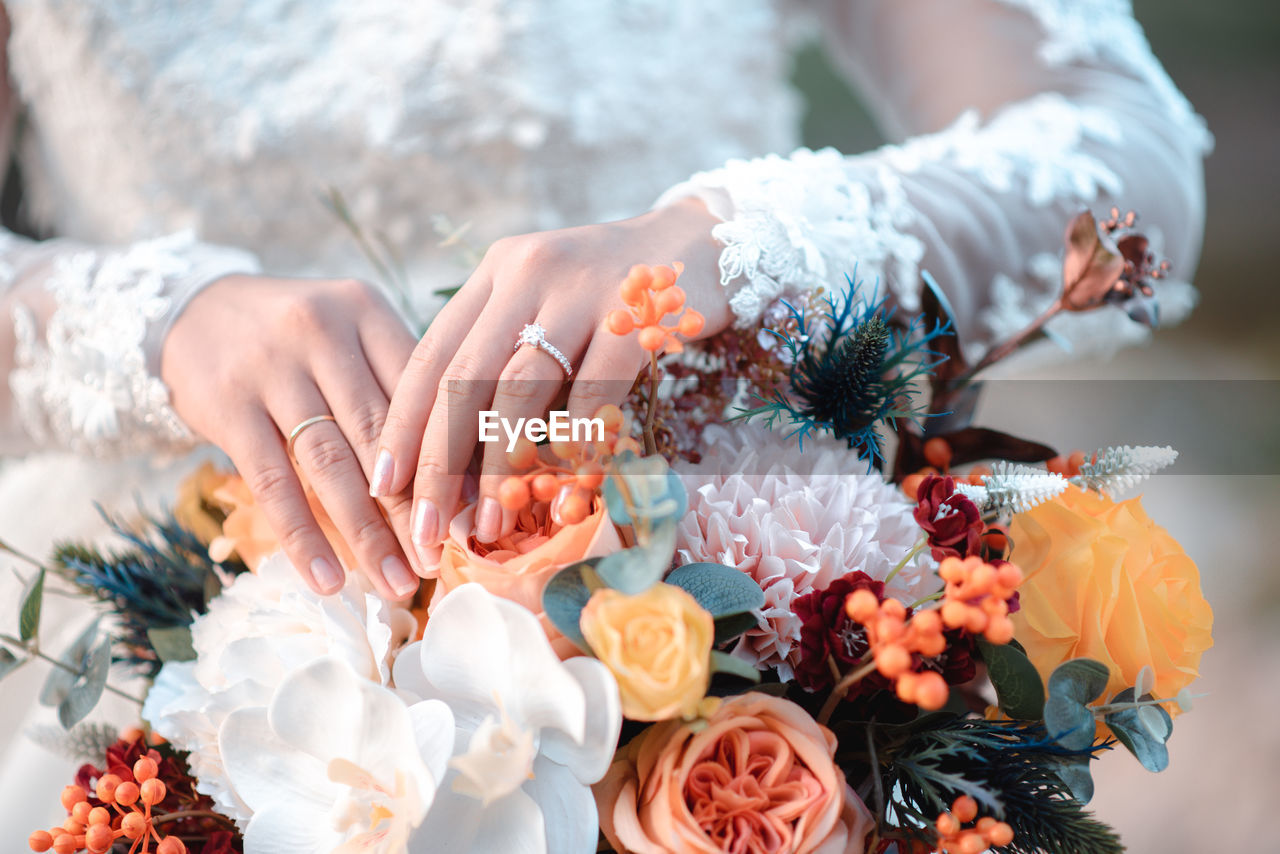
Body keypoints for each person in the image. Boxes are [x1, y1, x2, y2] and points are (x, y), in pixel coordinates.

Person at [0, 0, 1206, 832]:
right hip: (156, 666)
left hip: (722, 646)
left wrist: (769, 240)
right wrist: (149, 326)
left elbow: (1135, 163)